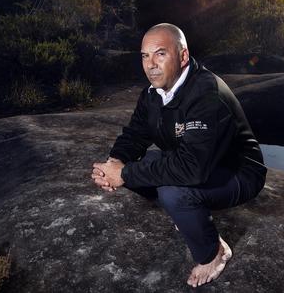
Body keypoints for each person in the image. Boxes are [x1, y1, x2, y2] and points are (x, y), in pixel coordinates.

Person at [91, 23, 266, 288]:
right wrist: (115, 163)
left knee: (174, 192)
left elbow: (193, 169)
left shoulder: (206, 94)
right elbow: (135, 134)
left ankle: (214, 254)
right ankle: (190, 215)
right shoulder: (153, 93)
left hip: (237, 173)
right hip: (195, 161)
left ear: (183, 56)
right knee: (139, 167)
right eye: (144, 56)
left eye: (160, 54)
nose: (151, 64)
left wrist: (124, 174)